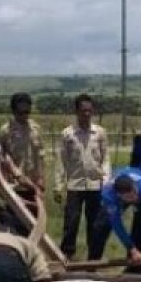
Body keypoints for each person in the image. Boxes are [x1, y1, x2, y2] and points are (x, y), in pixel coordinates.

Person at [55, 93, 110, 261]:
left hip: (95, 184)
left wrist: (106, 180)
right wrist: (58, 185)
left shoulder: (99, 132)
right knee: (71, 221)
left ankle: (93, 258)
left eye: (89, 111)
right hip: (75, 184)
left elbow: (105, 158)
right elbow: (61, 161)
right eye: (83, 111)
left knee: (94, 223)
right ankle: (67, 255)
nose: (86, 114)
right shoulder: (68, 134)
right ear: (76, 111)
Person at [0, 92, 45, 192]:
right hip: (14, 186)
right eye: (20, 112)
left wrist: (41, 178)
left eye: (27, 112)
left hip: (34, 185)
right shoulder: (6, 131)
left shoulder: (36, 128)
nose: (24, 115)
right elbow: (2, 158)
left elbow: (40, 156)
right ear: (13, 111)